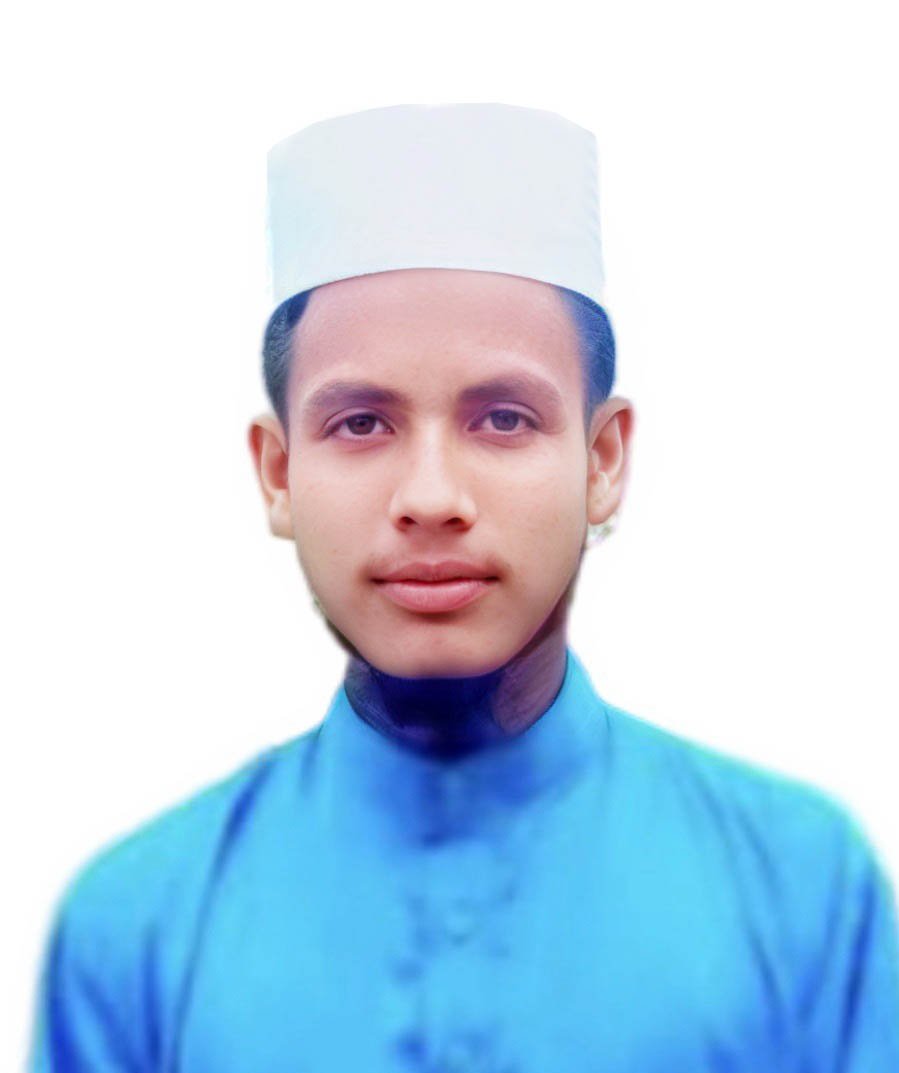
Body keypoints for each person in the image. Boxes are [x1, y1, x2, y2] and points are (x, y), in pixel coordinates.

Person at [27, 103, 899, 1073]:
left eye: (503, 419)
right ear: (278, 472)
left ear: (602, 461)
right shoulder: (138, 924)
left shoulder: (800, 886)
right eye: (361, 423)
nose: (432, 497)